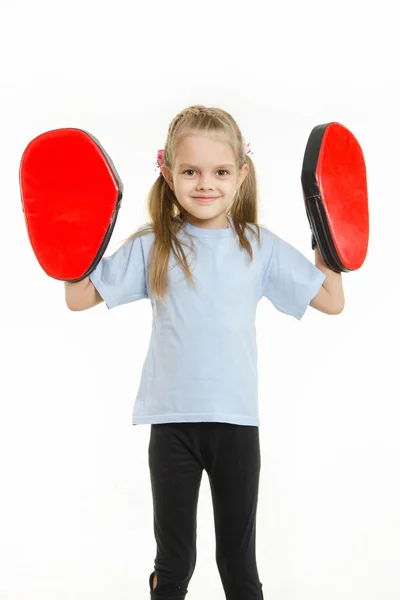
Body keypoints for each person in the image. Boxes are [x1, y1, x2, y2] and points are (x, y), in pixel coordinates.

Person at [64, 105, 345, 600]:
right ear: (168, 174)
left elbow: (331, 300)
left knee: (238, 566)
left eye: (219, 172)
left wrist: (329, 235)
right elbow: (79, 296)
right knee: (175, 564)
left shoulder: (259, 246)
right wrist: (73, 234)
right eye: (191, 171)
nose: (205, 184)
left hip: (236, 424)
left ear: (242, 174)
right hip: (171, 423)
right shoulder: (155, 245)